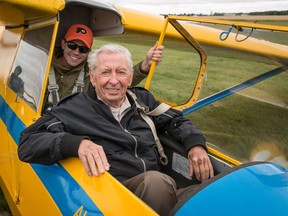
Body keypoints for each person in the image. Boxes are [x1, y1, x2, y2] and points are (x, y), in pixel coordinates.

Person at [18, 44, 214, 216]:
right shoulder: (73, 108)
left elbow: (176, 120)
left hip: (159, 193)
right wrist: (77, 143)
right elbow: (28, 143)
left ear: (129, 77)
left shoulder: (142, 100)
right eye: (105, 72)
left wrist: (195, 145)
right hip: (113, 196)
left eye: (120, 72)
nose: (114, 81)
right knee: (157, 183)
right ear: (92, 78)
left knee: (210, 195)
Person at [44, 23, 164, 110]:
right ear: (63, 44)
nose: (76, 52)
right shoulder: (43, 66)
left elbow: (118, 80)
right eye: (72, 45)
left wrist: (146, 64)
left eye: (83, 49)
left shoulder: (91, 72)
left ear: (88, 51)